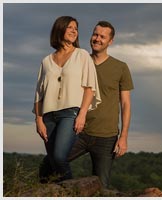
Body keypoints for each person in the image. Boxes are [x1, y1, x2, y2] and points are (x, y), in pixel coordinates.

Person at [34, 16, 101, 182]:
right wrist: (39, 120)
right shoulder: (46, 61)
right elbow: (38, 95)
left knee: (59, 157)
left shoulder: (82, 55)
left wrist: (82, 113)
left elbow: (89, 88)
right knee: (51, 162)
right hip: (48, 117)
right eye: (70, 27)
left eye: (76, 28)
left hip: (70, 114)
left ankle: (74, 192)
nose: (74, 31)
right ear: (59, 29)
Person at [68, 21, 134, 189]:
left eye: (102, 36)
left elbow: (125, 104)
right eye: (95, 34)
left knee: (101, 187)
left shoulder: (120, 67)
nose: (97, 39)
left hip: (106, 137)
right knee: (51, 164)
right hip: (77, 130)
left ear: (110, 41)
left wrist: (124, 136)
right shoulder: (79, 62)